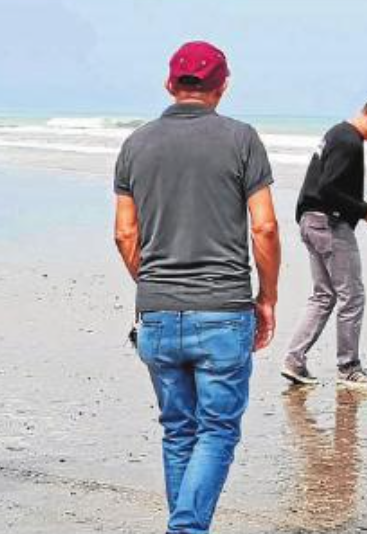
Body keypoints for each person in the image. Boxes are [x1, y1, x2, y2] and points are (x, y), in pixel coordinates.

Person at [113, 41, 280, 534]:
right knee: (218, 431)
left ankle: (185, 526)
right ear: (222, 87)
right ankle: (185, 529)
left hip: (158, 311)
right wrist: (267, 299)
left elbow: (125, 233)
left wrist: (155, 285)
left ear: (170, 84)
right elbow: (265, 227)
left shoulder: (136, 145)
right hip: (223, 308)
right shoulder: (242, 139)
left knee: (179, 431)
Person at [281, 96, 367, 389]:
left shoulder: (336, 134)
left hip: (311, 220)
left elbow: (325, 186)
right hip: (329, 224)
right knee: (352, 295)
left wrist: (363, 209)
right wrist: (362, 210)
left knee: (324, 295)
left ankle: (294, 360)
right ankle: (349, 368)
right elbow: (328, 188)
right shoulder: (349, 140)